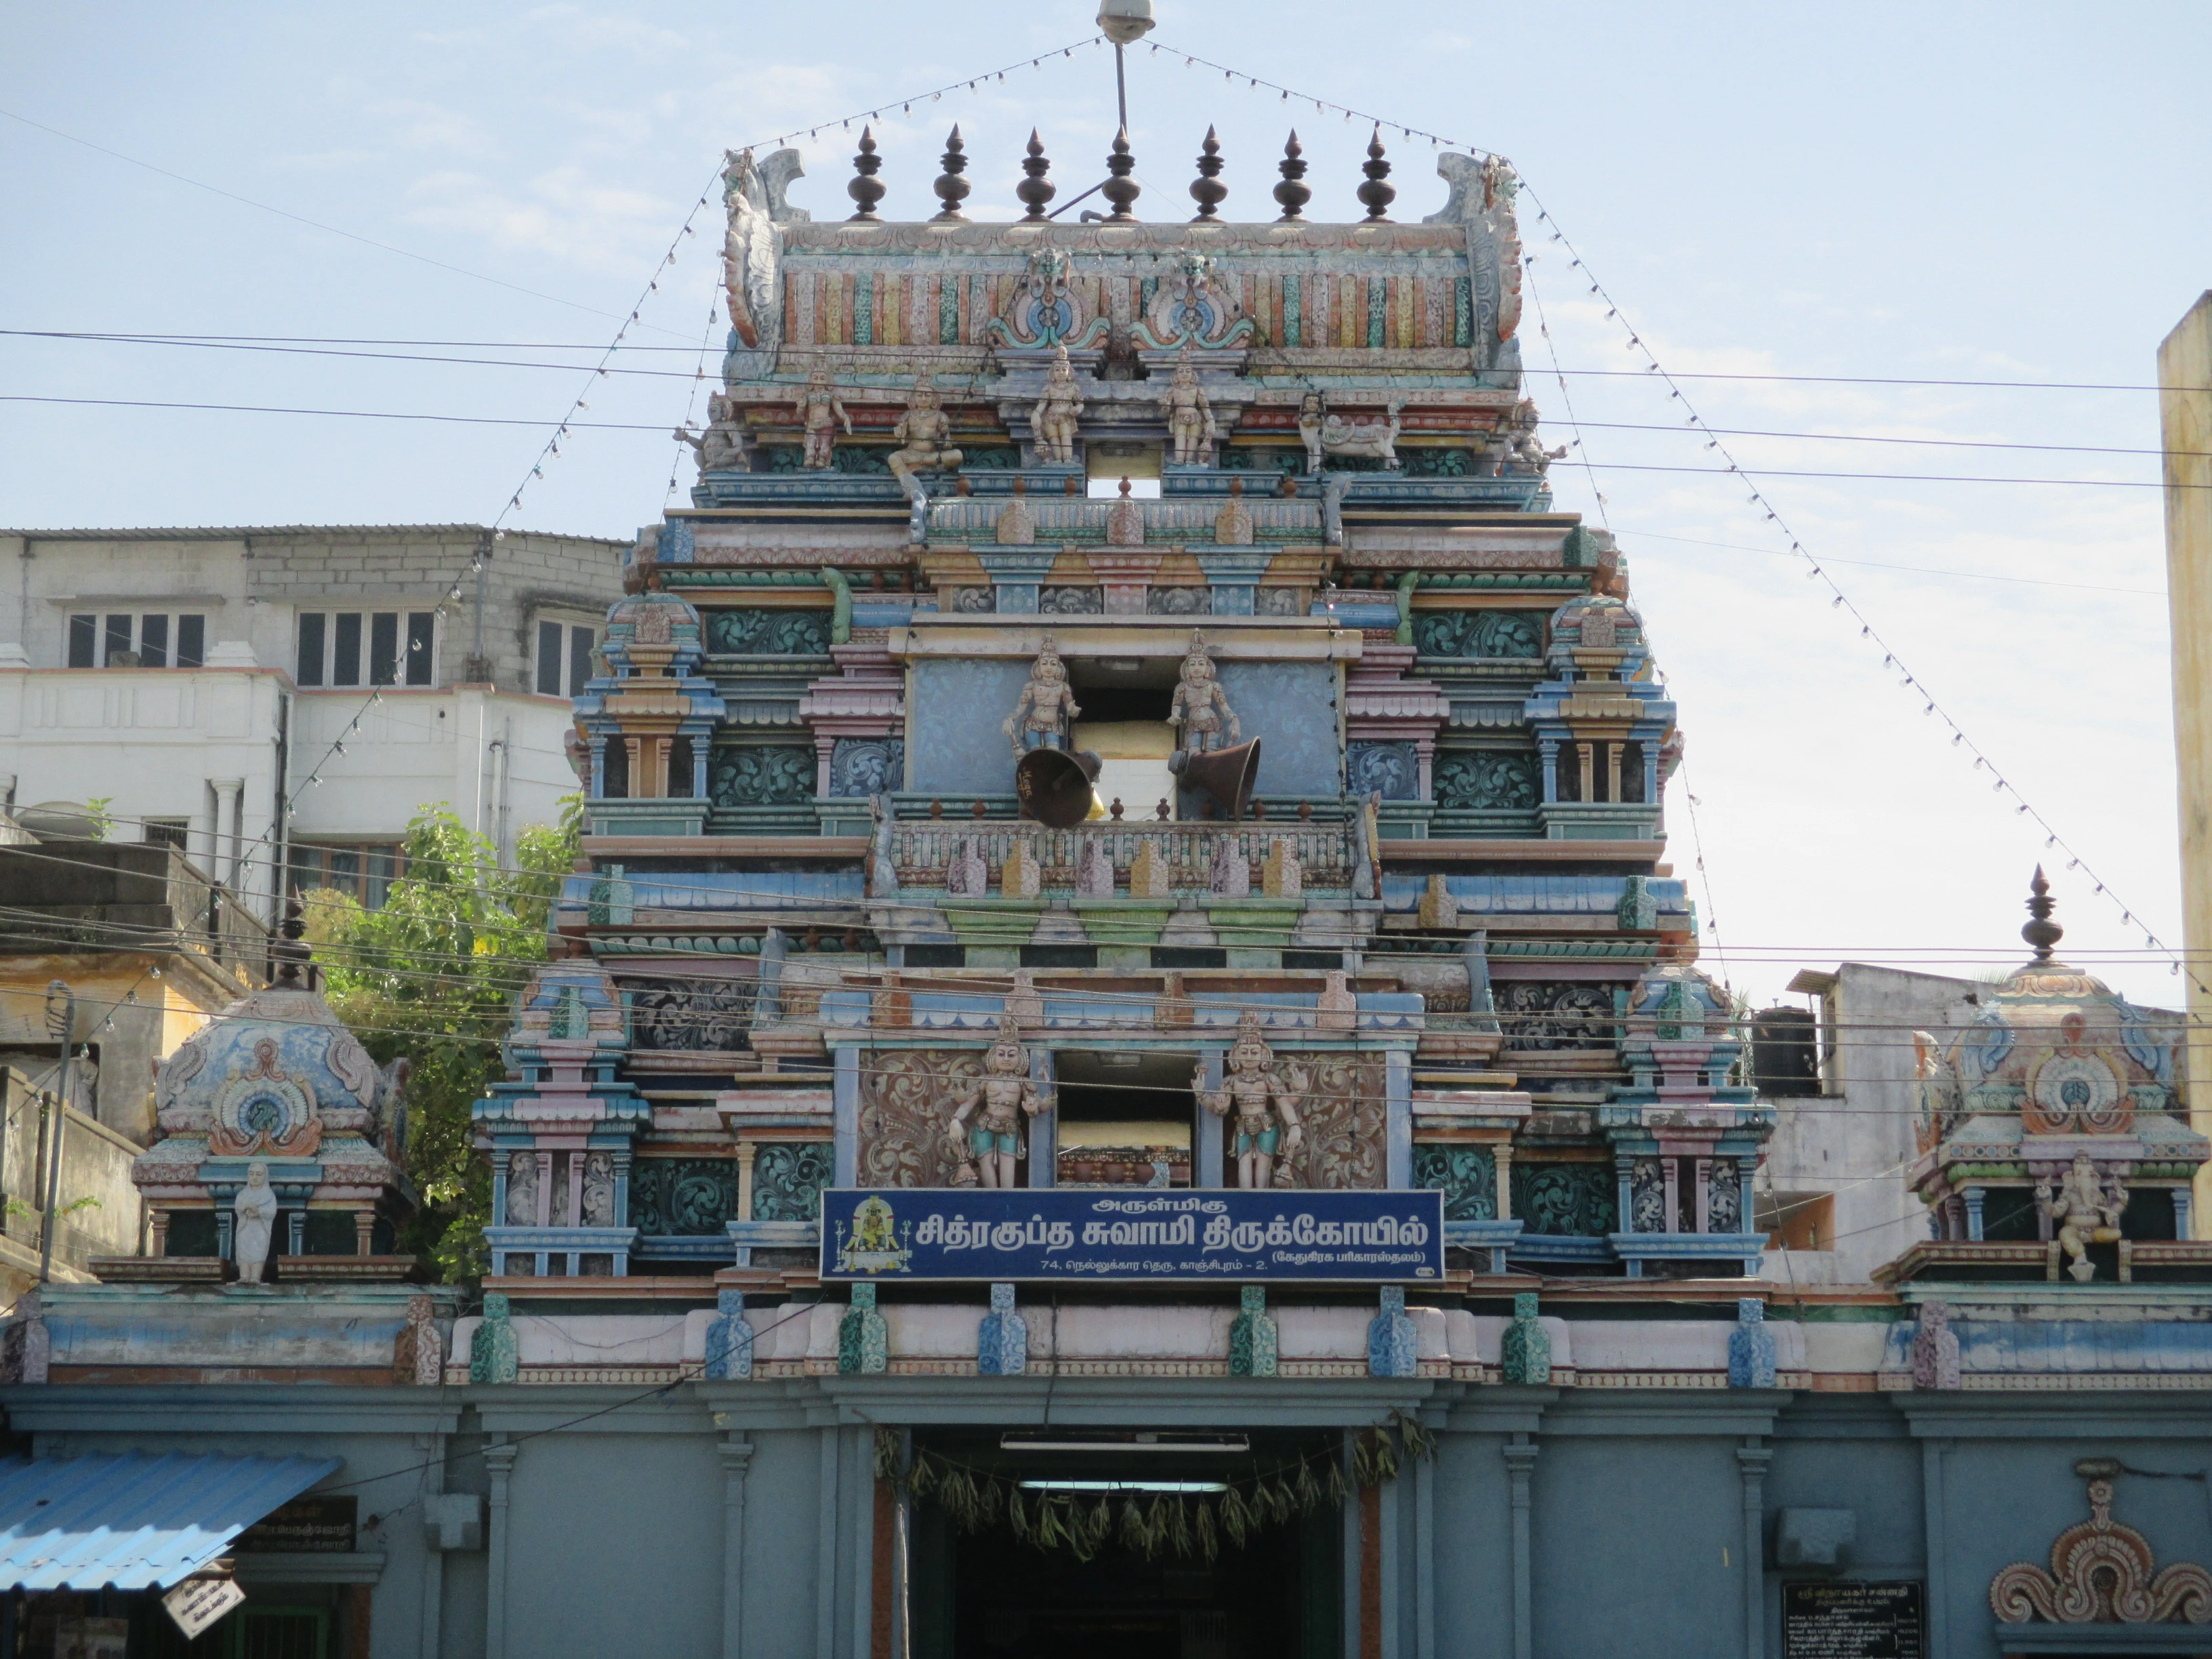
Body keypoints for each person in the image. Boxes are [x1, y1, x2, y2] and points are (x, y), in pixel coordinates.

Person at [233, 1160, 279, 1284]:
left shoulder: (268, 1195)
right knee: (243, 1251)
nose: (254, 1177)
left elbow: (271, 1211)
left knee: (258, 1252)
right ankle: (244, 1276)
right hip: (245, 1227)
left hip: (260, 1229)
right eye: (252, 1174)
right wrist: (245, 1208)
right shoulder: (243, 1194)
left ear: (265, 1176)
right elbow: (238, 1208)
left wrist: (259, 1212)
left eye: (259, 1174)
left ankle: (255, 1277)